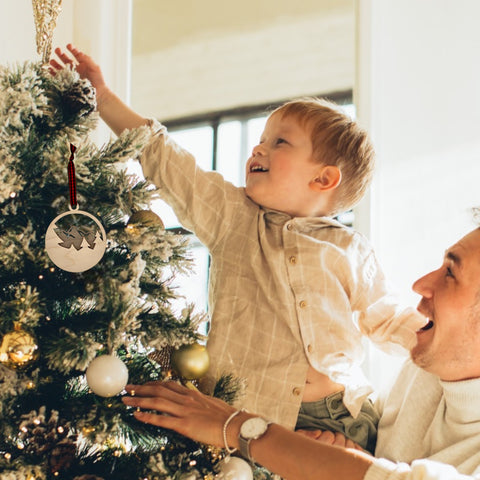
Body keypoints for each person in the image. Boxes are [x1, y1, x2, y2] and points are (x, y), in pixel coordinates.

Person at [50, 45, 426, 453]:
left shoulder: (349, 248)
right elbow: (168, 160)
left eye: (279, 142)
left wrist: (444, 341)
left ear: (323, 179)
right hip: (245, 412)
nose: (257, 149)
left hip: (338, 415)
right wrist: (103, 96)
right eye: (261, 139)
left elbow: (387, 319)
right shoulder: (234, 218)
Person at [122, 225, 480, 479]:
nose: (421, 285)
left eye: (450, 273)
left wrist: (234, 426)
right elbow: (381, 463)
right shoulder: (427, 368)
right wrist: (350, 454)